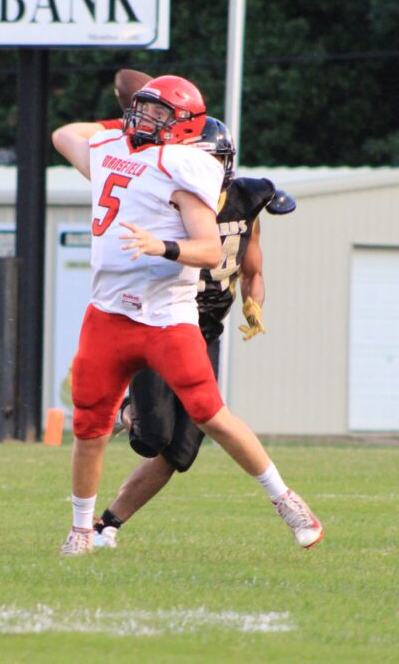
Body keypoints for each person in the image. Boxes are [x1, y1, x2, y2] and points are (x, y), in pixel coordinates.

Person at [51, 76, 323, 556]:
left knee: (210, 414)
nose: (144, 119)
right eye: (143, 108)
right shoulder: (114, 149)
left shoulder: (183, 168)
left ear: (185, 128)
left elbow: (210, 249)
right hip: (109, 312)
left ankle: (286, 499)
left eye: (159, 113)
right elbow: (64, 134)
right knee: (89, 427)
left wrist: (162, 246)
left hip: (166, 317)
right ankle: (81, 530)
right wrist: (121, 124)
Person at [91, 117, 298, 549]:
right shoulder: (167, 196)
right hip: (162, 321)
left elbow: (253, 270)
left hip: (205, 332)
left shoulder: (248, 200)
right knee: (150, 438)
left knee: (181, 453)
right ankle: (129, 408)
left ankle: (106, 526)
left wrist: (254, 303)